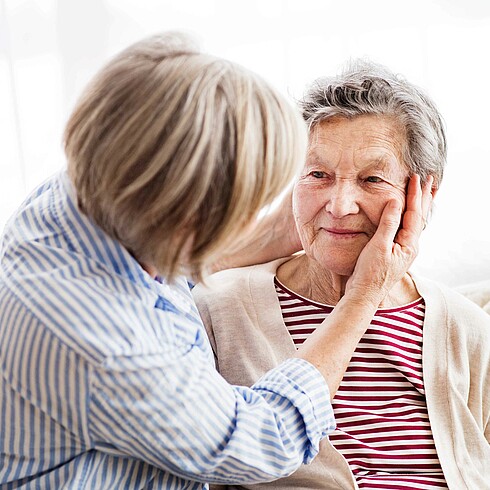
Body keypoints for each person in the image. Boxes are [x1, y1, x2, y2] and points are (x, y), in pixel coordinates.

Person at [0, 33, 430, 489]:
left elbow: (157, 249)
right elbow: (267, 437)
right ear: (186, 214)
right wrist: (361, 297)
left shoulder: (87, 184)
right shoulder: (108, 343)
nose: (340, 203)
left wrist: (277, 232)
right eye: (316, 174)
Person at [193, 60, 490, 490]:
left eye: (371, 179)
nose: (339, 205)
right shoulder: (217, 308)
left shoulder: (470, 331)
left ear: (423, 194)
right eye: (318, 175)